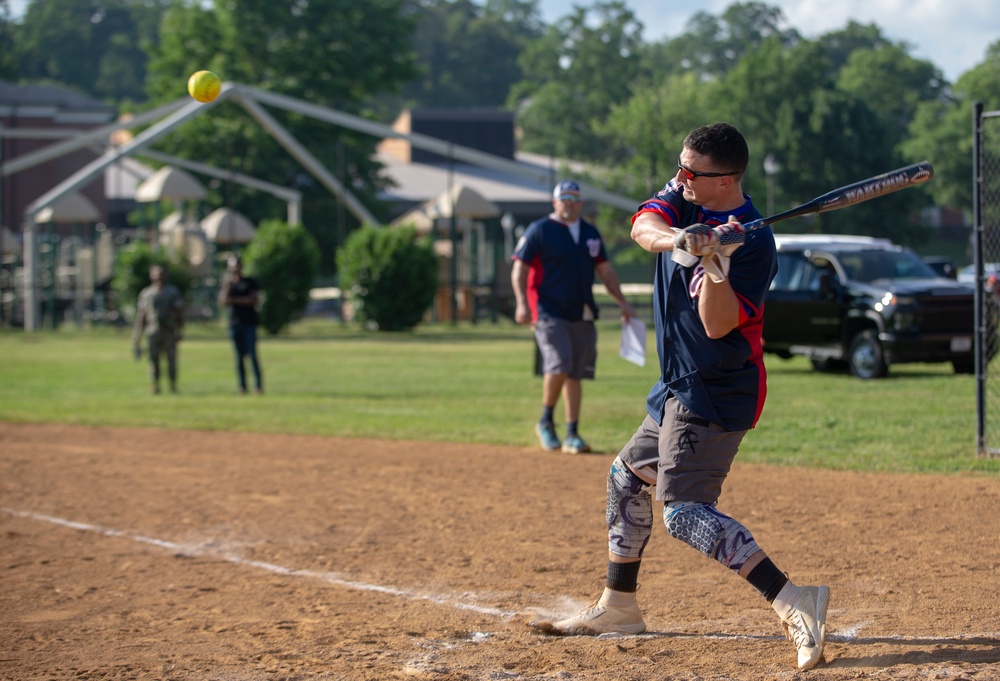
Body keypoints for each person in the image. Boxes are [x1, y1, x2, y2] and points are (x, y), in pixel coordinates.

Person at [542, 124, 830, 671]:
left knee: (684, 513)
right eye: (680, 168)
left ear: (723, 181)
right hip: (677, 382)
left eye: (690, 172)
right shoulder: (684, 197)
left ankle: (794, 599)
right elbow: (643, 226)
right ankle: (619, 605)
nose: (679, 179)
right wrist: (679, 239)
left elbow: (719, 325)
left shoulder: (755, 245)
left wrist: (715, 264)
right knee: (626, 477)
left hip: (718, 388)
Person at [511, 180, 635, 454]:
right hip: (547, 310)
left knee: (576, 373)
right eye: (563, 197)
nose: (569, 202)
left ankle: (571, 433)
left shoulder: (590, 233)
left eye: (574, 198)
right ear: (554, 202)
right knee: (560, 364)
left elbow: (605, 271)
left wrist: (623, 303)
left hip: (582, 310)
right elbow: (519, 269)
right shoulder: (540, 230)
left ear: (581, 202)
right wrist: (522, 304)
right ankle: (545, 421)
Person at [132, 264, 184, 394]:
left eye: (161, 274)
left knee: (171, 360)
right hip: (152, 330)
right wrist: (137, 333)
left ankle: (173, 385)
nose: (159, 276)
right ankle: (155, 385)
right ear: (151, 276)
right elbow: (142, 314)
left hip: (169, 330)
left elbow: (178, 312)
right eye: (156, 274)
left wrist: (180, 330)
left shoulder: (172, 292)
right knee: (153, 359)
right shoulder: (146, 293)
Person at [218, 255, 263, 394]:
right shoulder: (228, 284)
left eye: (236, 266)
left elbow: (253, 300)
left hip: (249, 323)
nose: (234, 269)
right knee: (239, 357)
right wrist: (227, 287)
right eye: (231, 267)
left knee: (252, 355)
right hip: (234, 323)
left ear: (241, 266)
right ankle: (242, 386)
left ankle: (258, 386)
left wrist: (234, 300)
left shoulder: (250, 282)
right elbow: (223, 302)